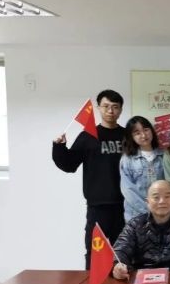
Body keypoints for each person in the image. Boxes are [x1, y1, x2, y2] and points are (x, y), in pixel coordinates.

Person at [52, 89, 125, 269]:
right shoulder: (88, 136)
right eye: (106, 106)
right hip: (97, 207)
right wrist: (59, 147)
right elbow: (69, 165)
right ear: (99, 108)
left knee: (124, 254)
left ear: (120, 110)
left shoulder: (128, 136)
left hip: (125, 207)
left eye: (115, 107)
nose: (110, 111)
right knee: (94, 254)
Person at [112, 180, 170, 280]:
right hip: (142, 281)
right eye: (156, 197)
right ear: (147, 202)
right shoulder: (135, 225)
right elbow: (120, 251)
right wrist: (118, 266)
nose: (162, 201)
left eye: (167, 196)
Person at [119, 116, 165, 221]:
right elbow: (128, 190)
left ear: (151, 130)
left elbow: (169, 185)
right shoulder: (127, 159)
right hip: (136, 216)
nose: (143, 135)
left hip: (161, 213)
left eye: (146, 130)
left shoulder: (163, 156)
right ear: (131, 137)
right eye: (137, 133)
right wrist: (149, 210)